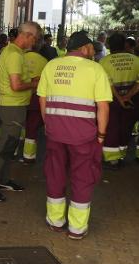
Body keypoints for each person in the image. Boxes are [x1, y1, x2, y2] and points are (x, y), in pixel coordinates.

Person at [38, 31, 111, 240]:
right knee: (82, 179)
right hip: (84, 136)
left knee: (55, 174)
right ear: (86, 48)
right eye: (92, 49)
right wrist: (102, 134)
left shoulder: (51, 66)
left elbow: (42, 100)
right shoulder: (95, 69)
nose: (93, 53)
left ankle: (55, 221)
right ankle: (77, 228)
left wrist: (48, 124)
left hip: (55, 133)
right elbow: (103, 107)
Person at [0, 21, 42, 202]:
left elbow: (16, 80)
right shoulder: (14, 54)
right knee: (6, 145)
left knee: (10, 145)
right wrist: (34, 83)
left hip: (14, 106)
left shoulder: (13, 52)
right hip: (12, 107)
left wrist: (31, 80)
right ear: (28, 35)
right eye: (36, 38)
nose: (36, 42)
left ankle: (3, 179)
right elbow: (16, 86)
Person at [99, 33, 139, 167]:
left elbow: (107, 84)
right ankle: (122, 155)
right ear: (125, 44)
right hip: (131, 100)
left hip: (111, 100)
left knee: (111, 127)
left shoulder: (104, 61)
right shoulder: (136, 60)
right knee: (126, 127)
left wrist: (119, 98)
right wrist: (128, 96)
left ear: (109, 45)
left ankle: (111, 159)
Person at [22, 43, 48, 163]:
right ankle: (28, 156)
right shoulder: (44, 61)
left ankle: (11, 152)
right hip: (35, 98)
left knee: (17, 125)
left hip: (18, 97)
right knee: (32, 127)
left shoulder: (19, 57)